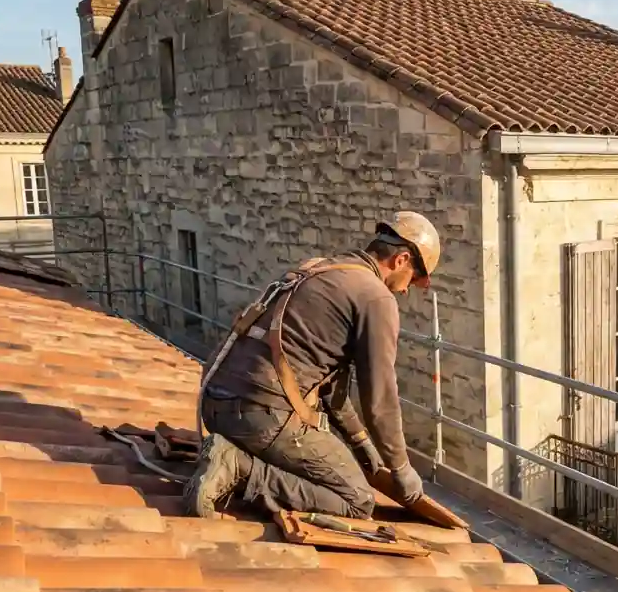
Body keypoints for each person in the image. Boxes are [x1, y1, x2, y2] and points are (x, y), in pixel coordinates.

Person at [183, 211, 441, 520]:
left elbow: (330, 388)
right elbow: (380, 400)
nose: (404, 290)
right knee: (357, 500)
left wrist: (361, 443)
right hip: (256, 417)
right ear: (401, 260)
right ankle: (240, 469)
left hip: (215, 405)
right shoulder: (375, 299)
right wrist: (400, 468)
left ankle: (235, 457)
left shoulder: (317, 268)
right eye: (412, 280)